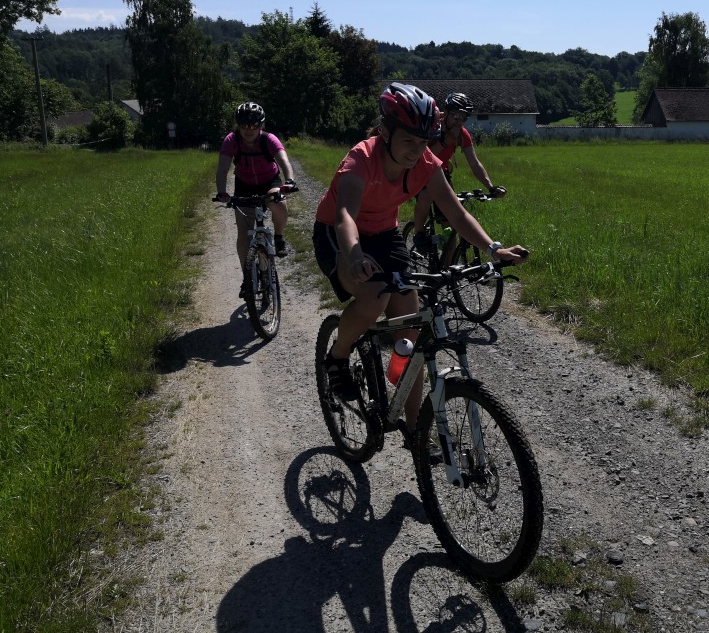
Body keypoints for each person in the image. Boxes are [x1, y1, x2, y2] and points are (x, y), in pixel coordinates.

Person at [313, 82, 527, 446]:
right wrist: (354, 254)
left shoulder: (426, 162)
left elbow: (457, 215)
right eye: (408, 141)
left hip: (384, 235)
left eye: (423, 141)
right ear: (385, 132)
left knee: (410, 335)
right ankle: (338, 355)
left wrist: (494, 249)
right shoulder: (360, 158)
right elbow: (345, 214)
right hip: (338, 233)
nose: (417, 150)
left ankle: (415, 432)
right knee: (375, 294)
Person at [410, 91, 507, 252]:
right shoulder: (432, 127)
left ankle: (447, 266)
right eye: (456, 116)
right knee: (426, 196)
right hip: (421, 170)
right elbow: (422, 158)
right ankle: (418, 233)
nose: (459, 122)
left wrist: (490, 186)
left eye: (463, 118)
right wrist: (443, 141)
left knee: (450, 229)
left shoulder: (462, 135)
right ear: (446, 113)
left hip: (441, 173)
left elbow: (474, 163)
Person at [216, 102, 296, 294]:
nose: (249, 130)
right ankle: (247, 278)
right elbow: (222, 168)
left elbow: (284, 161)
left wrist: (289, 181)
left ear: (261, 125)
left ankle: (278, 237)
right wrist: (222, 192)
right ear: (238, 125)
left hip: (269, 181)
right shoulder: (231, 140)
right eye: (244, 125)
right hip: (244, 184)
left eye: (254, 125)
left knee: (278, 203)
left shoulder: (269, 139)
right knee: (244, 234)